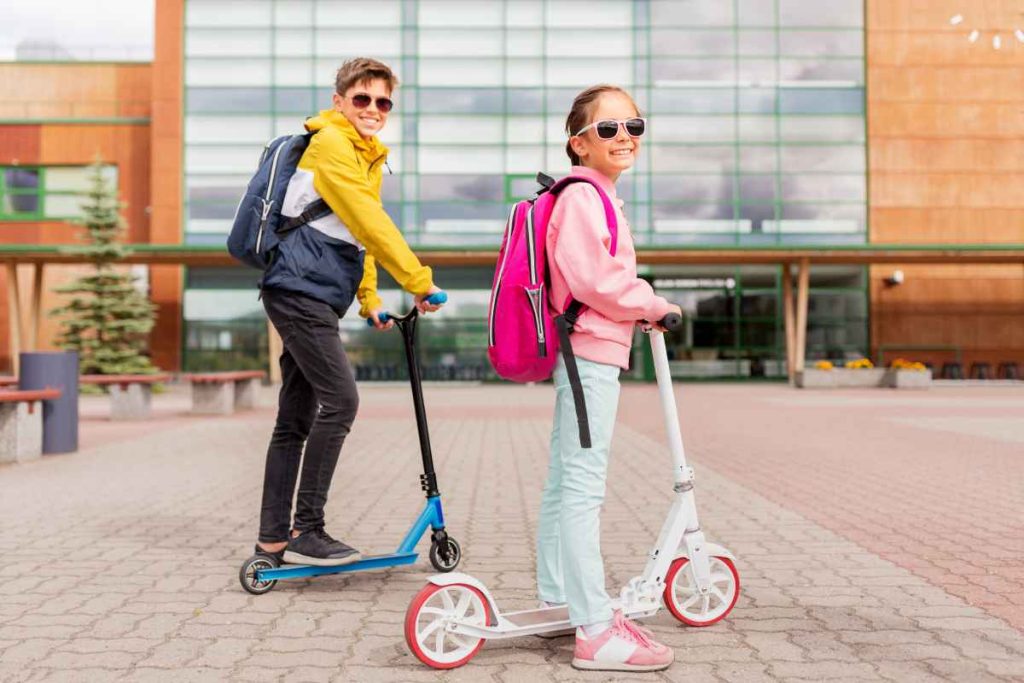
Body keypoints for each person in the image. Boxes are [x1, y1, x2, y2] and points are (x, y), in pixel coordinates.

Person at [254, 58, 443, 566]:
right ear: (339, 101)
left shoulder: (366, 156)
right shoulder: (334, 145)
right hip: (298, 292)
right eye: (362, 99)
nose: (374, 109)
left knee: (294, 419)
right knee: (341, 402)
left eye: (383, 102)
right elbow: (370, 220)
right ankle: (306, 530)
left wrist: (371, 300)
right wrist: (418, 281)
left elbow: (355, 238)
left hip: (311, 294)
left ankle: (272, 542)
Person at [536, 84, 683, 672]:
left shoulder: (598, 197)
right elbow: (595, 280)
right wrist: (652, 303)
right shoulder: (582, 197)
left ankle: (559, 599)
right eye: (608, 129)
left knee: (564, 480)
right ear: (579, 142)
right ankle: (594, 629)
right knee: (582, 487)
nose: (624, 137)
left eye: (634, 127)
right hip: (589, 354)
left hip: (589, 353)